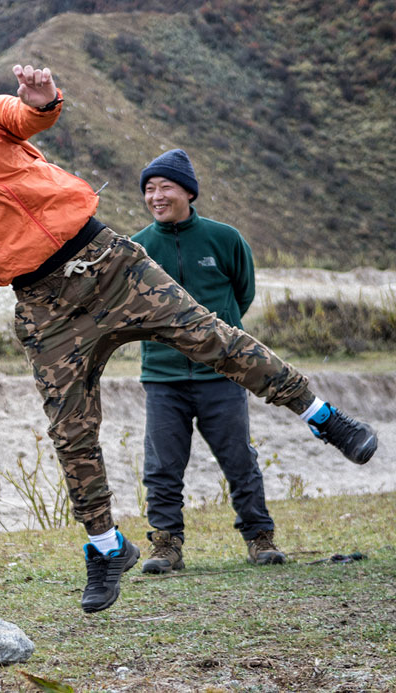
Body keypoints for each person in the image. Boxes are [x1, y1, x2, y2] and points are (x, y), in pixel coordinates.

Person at [0, 59, 378, 613]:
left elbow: (26, 116)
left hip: (111, 266)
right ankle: (106, 547)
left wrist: (40, 98)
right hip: (46, 306)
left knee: (217, 339)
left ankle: (325, 417)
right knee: (70, 430)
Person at [132, 149, 286, 574]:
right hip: (162, 376)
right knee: (162, 467)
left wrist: (219, 343)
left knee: (239, 459)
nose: (156, 196)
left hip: (222, 373)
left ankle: (260, 538)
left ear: (188, 192)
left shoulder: (225, 238)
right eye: (149, 189)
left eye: (164, 187)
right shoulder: (138, 248)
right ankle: (166, 546)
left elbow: (243, 294)